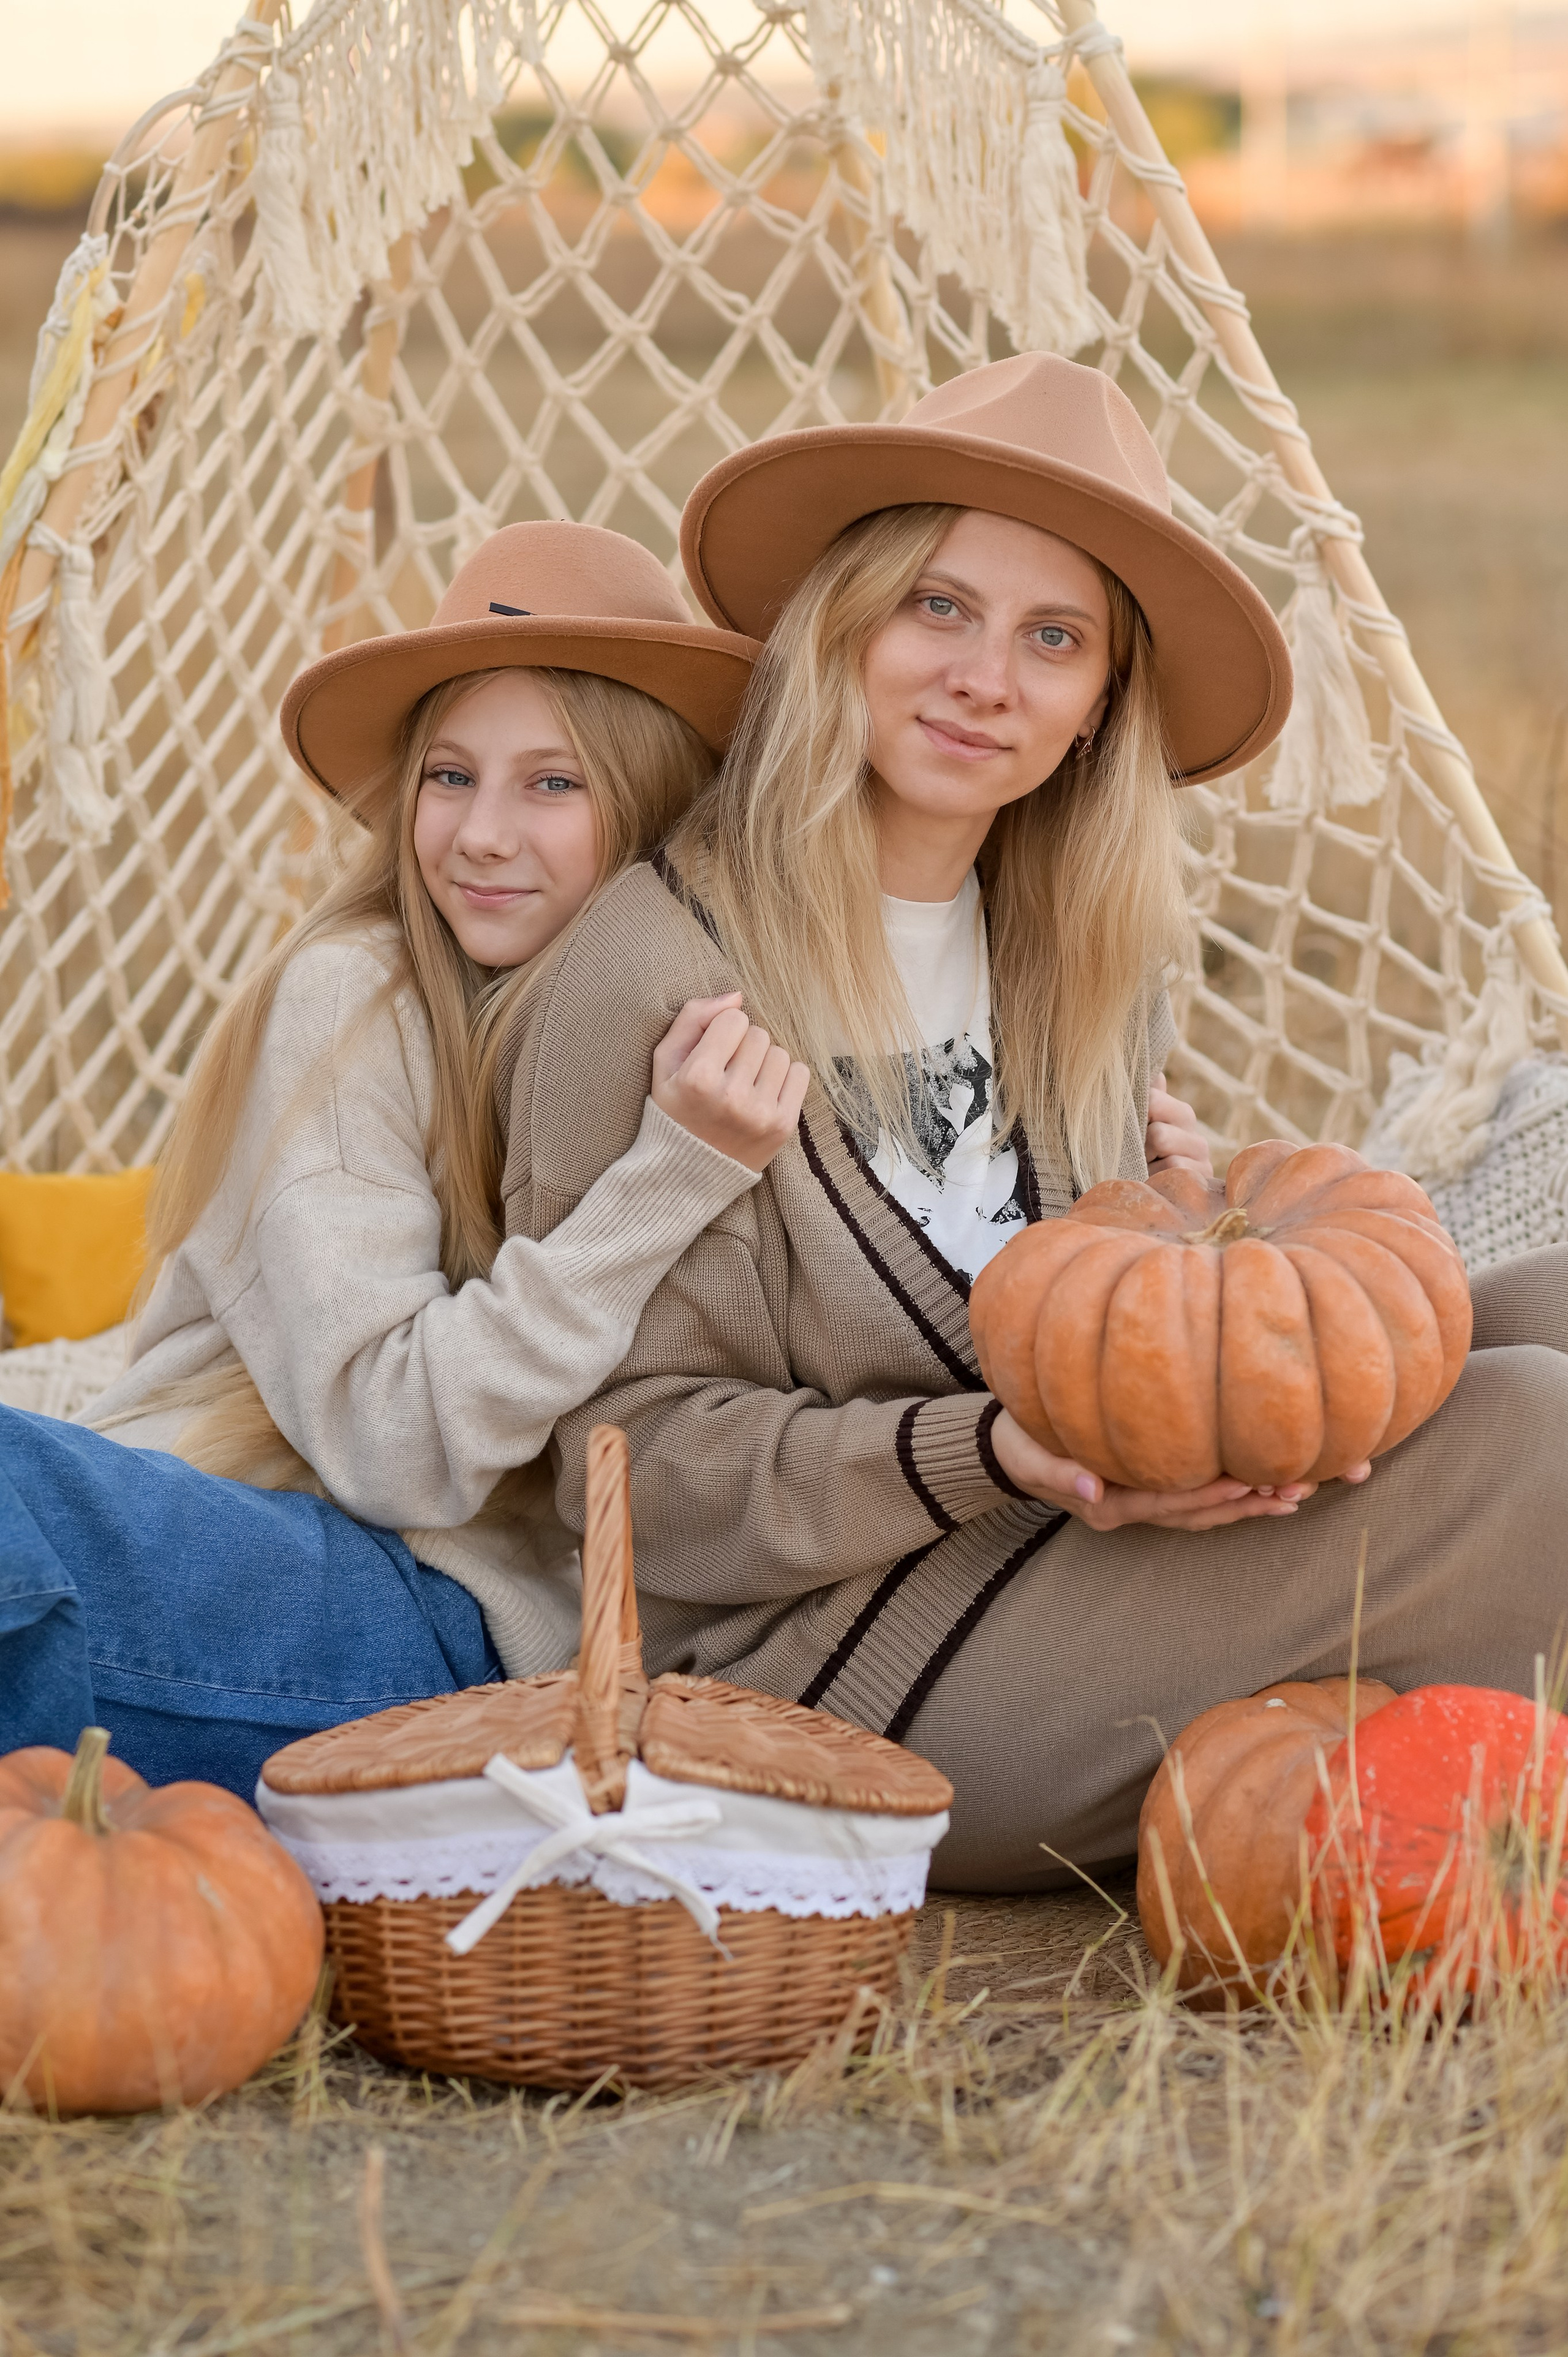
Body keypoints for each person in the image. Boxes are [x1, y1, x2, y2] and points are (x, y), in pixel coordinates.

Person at [496, 355, 1568, 1893]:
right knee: (1528, 1441)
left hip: (1052, 1546)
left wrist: (1172, 1254)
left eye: (1049, 638)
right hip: (822, 1667)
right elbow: (633, 1471)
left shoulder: (1073, 964)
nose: (982, 676)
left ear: (1092, 711)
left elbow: (1086, 1333)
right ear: (837, 625)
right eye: (934, 606)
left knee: (1529, 1310)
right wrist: (996, 1450)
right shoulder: (661, 968)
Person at [1, 522, 808, 1795]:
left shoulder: (707, 1048)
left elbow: (396, 1462)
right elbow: (389, 1437)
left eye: (553, 784)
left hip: (423, 1624)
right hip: (234, 1557)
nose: (481, 835)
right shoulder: (355, 996)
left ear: (650, 800)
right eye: (448, 776)